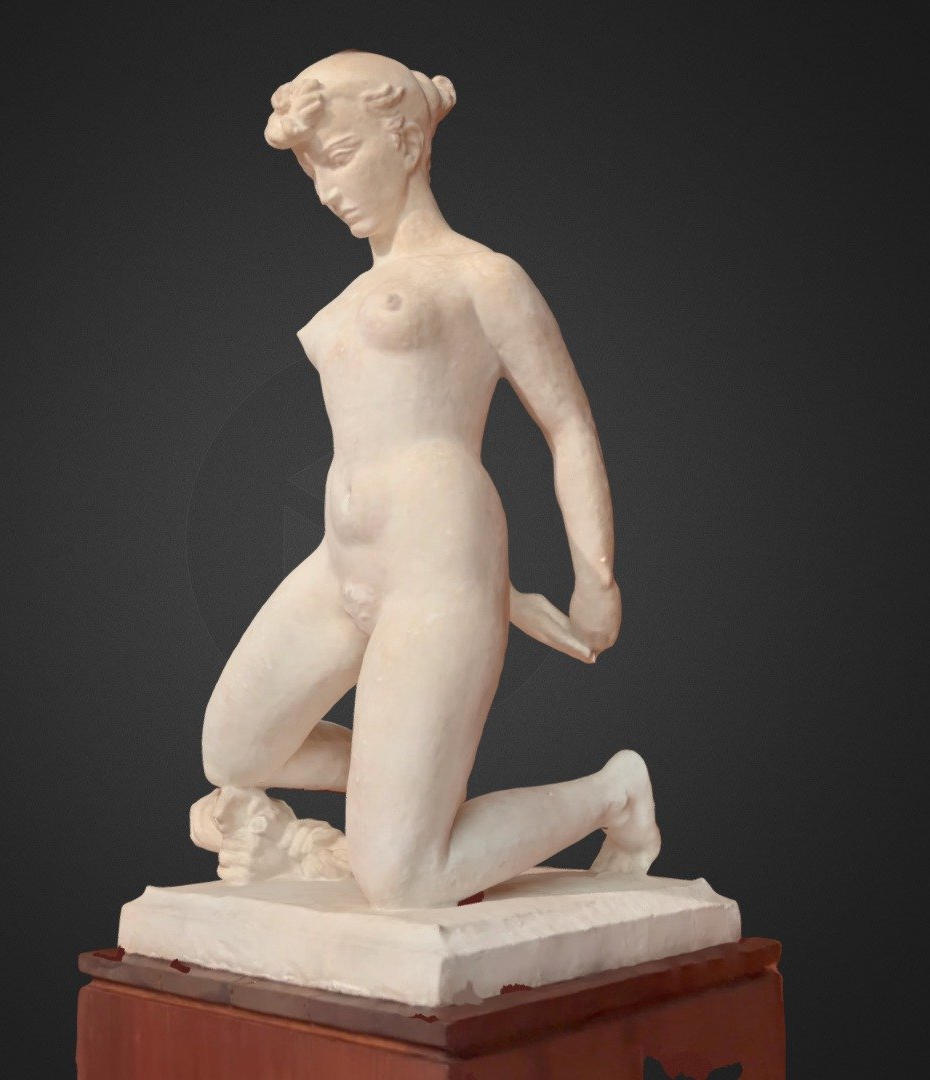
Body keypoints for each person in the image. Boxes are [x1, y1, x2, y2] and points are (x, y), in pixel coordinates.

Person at [189, 51, 659, 909]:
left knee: (401, 881)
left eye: (338, 158)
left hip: (437, 568)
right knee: (234, 751)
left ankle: (614, 795)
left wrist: (596, 580)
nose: (327, 191)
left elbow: (567, 424)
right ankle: (401, 786)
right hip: (343, 561)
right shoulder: (365, 285)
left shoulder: (483, 276)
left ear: (405, 142)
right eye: (312, 171)